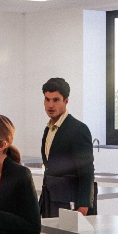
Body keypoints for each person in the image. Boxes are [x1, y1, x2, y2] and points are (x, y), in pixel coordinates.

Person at [38, 78, 94, 219]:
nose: (50, 105)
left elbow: (86, 171)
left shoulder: (78, 129)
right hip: (50, 199)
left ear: (66, 101)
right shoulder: (48, 129)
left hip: (71, 201)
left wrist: (84, 205)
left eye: (56, 100)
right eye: (47, 99)